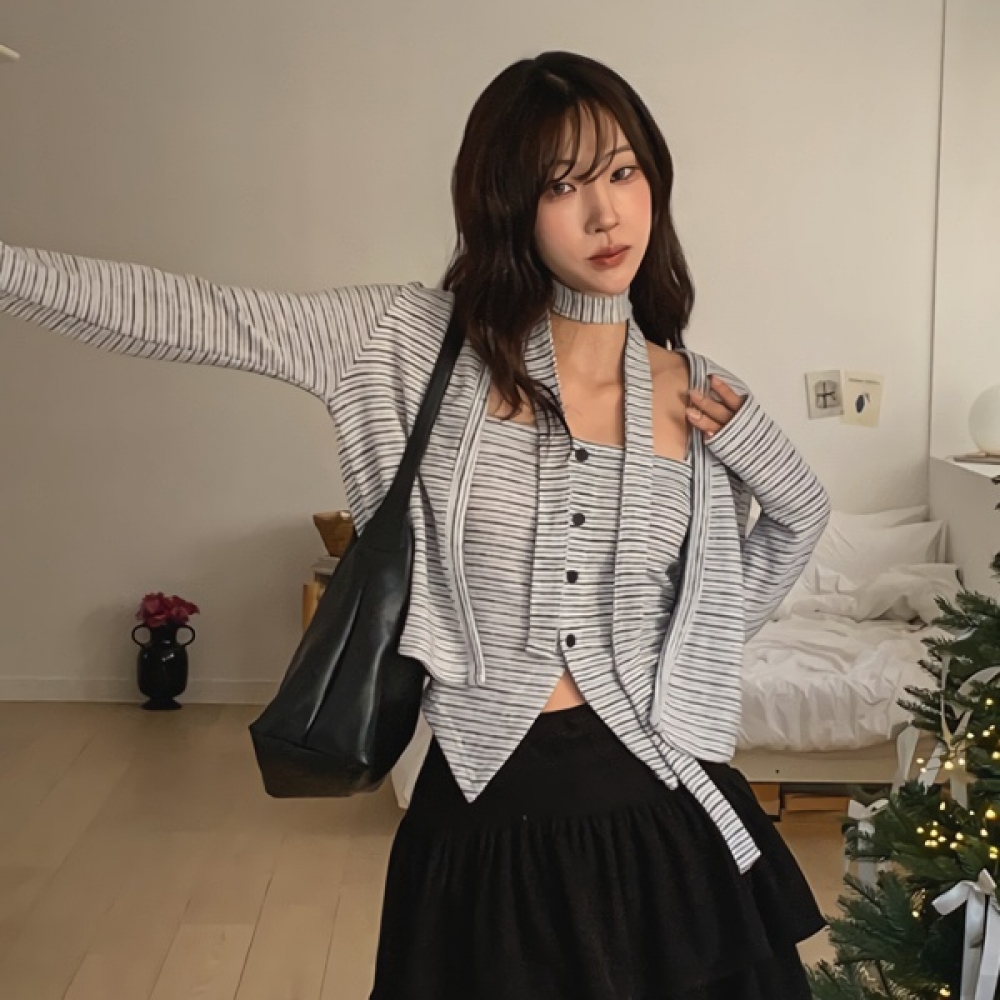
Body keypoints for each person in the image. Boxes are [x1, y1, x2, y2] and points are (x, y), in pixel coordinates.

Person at [0, 50, 831, 999]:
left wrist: (740, 516)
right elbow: (195, 314)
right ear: (505, 203)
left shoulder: (698, 391)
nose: (606, 214)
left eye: (622, 171)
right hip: (485, 824)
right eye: (561, 185)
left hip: (670, 827)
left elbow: (788, 530)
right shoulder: (403, 341)